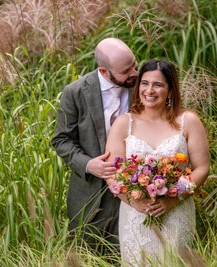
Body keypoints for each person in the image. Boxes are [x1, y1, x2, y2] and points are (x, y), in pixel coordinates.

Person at [105, 59, 210, 265]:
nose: (149, 90)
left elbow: (202, 168)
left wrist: (173, 199)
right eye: (144, 83)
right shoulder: (124, 123)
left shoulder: (187, 121)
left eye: (158, 85)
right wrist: (134, 201)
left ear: (170, 90)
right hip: (135, 215)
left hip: (176, 211)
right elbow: (113, 173)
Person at [51, 38, 139, 253]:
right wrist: (89, 164)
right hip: (90, 195)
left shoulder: (143, 86)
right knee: (87, 256)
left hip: (137, 192)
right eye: (126, 71)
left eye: (135, 64)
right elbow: (61, 140)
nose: (134, 73)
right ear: (104, 71)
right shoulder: (75, 92)